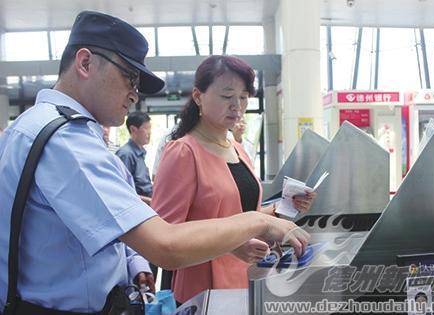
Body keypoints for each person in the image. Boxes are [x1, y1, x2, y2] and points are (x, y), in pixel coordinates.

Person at [0, 11, 308, 314]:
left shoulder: (32, 126)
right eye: (129, 78)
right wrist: (259, 222)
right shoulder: (67, 141)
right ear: (85, 63)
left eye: (243, 98)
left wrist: (132, 263)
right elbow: (166, 244)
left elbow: (83, 224)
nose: (134, 95)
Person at [152, 55, 316, 304]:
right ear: (198, 96)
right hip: (204, 289)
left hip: (246, 278)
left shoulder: (237, 149)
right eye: (227, 96)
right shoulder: (183, 152)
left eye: (242, 96)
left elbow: (242, 213)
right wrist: (229, 245)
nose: (237, 105)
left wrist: (282, 208)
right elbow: (163, 236)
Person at [116, 111, 153, 205]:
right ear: (133, 130)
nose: (149, 133)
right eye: (146, 128)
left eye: (150, 128)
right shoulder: (126, 154)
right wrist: (151, 202)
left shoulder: (140, 153)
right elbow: (122, 190)